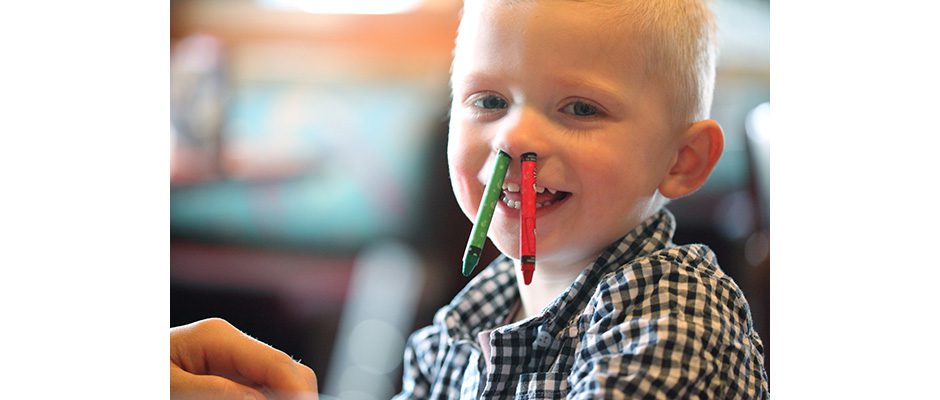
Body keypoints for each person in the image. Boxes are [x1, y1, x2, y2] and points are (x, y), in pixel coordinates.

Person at [171, 0, 769, 398]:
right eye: (487, 101)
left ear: (681, 160)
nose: (513, 137)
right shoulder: (457, 328)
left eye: (580, 108)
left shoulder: (675, 313)